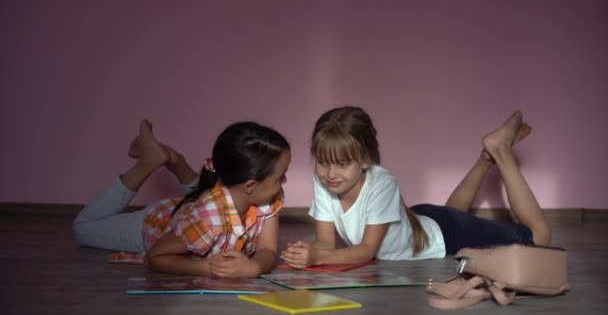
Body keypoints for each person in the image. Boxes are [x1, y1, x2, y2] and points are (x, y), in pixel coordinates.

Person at [280, 106, 551, 268]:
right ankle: (485, 160)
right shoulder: (325, 181)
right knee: (451, 213)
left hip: (445, 236)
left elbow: (366, 251)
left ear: (365, 160)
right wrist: (308, 250)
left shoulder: (382, 183)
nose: (330, 173)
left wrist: (316, 258)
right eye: (323, 162)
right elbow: (326, 243)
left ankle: (501, 151)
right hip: (420, 221)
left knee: (539, 236)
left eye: (341, 164)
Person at [73, 119, 291, 277]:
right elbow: (155, 257)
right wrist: (208, 268)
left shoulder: (268, 197)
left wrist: (254, 267)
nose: (284, 182)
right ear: (251, 185)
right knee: (82, 229)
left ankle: (175, 160)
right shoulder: (206, 221)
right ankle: (147, 163)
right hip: (155, 223)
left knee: (208, 203)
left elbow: (267, 250)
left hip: (198, 209)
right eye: (280, 177)